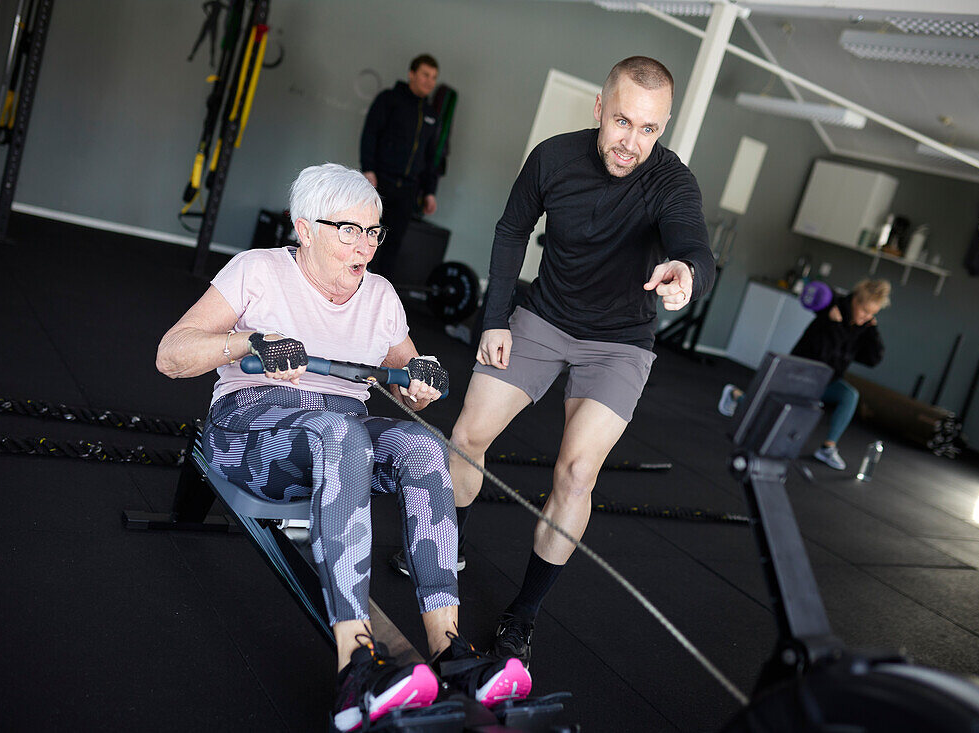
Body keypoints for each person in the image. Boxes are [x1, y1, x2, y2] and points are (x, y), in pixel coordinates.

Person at [155, 164, 530, 731]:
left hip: (342, 431)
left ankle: (448, 650)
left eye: (374, 232)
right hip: (251, 433)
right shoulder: (256, 271)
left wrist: (421, 378)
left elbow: (408, 371)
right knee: (342, 434)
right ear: (304, 229)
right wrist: (250, 341)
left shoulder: (378, 295)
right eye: (349, 230)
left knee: (422, 447)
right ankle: (357, 666)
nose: (366, 246)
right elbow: (171, 354)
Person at [431, 56, 715, 667]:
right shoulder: (554, 158)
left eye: (649, 130)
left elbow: (693, 241)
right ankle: (444, 549)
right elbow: (512, 231)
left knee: (577, 473)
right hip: (543, 317)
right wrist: (494, 319)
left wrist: (685, 271)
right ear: (598, 109)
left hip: (620, 343)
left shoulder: (671, 181)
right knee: (465, 436)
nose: (632, 142)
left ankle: (523, 615)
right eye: (622, 122)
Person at [717, 278, 890, 470]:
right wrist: (835, 326)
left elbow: (873, 359)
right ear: (855, 301)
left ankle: (827, 448)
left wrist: (873, 330)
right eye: (865, 311)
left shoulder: (864, 327)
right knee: (765, 411)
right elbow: (824, 354)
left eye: (872, 314)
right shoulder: (829, 313)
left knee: (849, 396)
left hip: (827, 381)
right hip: (801, 375)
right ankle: (735, 395)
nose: (867, 317)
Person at [360, 54, 442, 281]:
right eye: (425, 74)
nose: (429, 81)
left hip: (408, 191)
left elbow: (431, 157)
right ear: (411, 74)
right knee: (368, 240)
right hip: (380, 183)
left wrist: (430, 192)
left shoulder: (432, 116)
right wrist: (368, 169)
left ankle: (377, 301)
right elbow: (370, 134)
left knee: (392, 247)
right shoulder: (389, 99)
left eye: (434, 77)